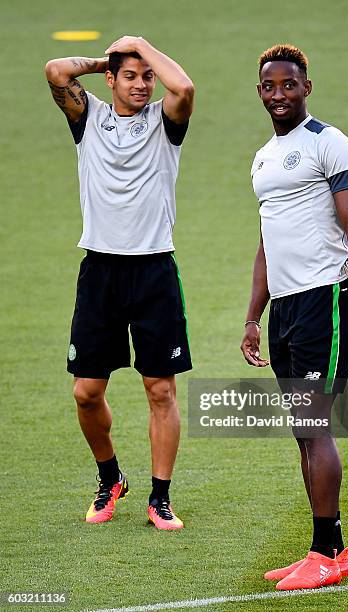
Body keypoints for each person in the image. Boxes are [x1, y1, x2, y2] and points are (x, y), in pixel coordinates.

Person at [240, 44, 348, 589]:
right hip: (287, 307)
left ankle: (327, 553)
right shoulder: (262, 157)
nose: (279, 95)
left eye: (289, 85)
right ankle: (330, 548)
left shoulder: (331, 144)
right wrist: (255, 315)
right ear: (259, 92)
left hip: (326, 300)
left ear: (306, 87)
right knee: (304, 430)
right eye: (269, 87)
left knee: (315, 425)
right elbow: (266, 241)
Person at [45, 35, 194, 529]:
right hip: (101, 271)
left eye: (146, 75)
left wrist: (141, 46)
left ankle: (160, 497)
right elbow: (55, 70)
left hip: (153, 269)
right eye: (128, 75)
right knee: (86, 391)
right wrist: (105, 58)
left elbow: (185, 86)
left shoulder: (164, 122)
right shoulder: (87, 117)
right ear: (109, 80)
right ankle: (110, 479)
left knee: (160, 390)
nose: (140, 84)